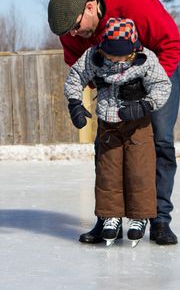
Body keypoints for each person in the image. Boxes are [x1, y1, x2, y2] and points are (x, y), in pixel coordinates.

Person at [48, 0, 180, 245]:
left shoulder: (135, 3)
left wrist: (145, 91)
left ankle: (159, 220)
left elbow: (172, 45)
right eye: (67, 33)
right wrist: (82, 95)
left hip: (156, 72)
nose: (73, 35)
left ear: (90, 6)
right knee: (107, 145)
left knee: (160, 140)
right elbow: (77, 66)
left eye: (75, 27)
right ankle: (107, 217)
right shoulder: (72, 30)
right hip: (110, 83)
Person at [64, 17, 172, 247]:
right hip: (108, 124)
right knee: (108, 172)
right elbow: (76, 76)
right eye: (110, 54)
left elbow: (162, 85)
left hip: (138, 124)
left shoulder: (146, 59)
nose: (113, 59)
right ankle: (109, 217)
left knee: (139, 170)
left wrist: (146, 104)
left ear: (133, 50)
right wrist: (75, 103)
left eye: (119, 55)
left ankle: (139, 217)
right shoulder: (94, 56)